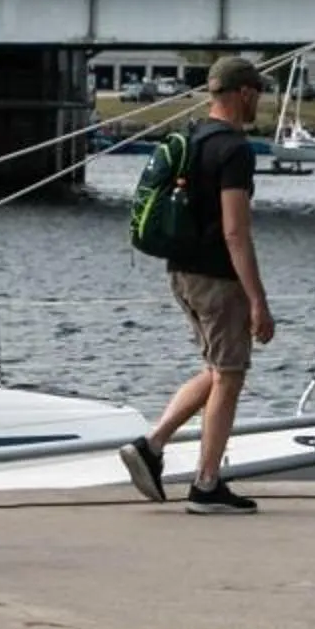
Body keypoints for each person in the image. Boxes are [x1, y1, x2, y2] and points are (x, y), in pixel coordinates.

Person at [116, 55, 275, 514]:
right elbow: (235, 232)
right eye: (258, 93)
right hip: (217, 278)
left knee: (216, 367)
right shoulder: (234, 150)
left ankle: (152, 445)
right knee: (230, 374)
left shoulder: (191, 137)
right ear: (243, 93)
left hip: (181, 273)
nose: (260, 102)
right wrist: (258, 301)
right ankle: (207, 485)